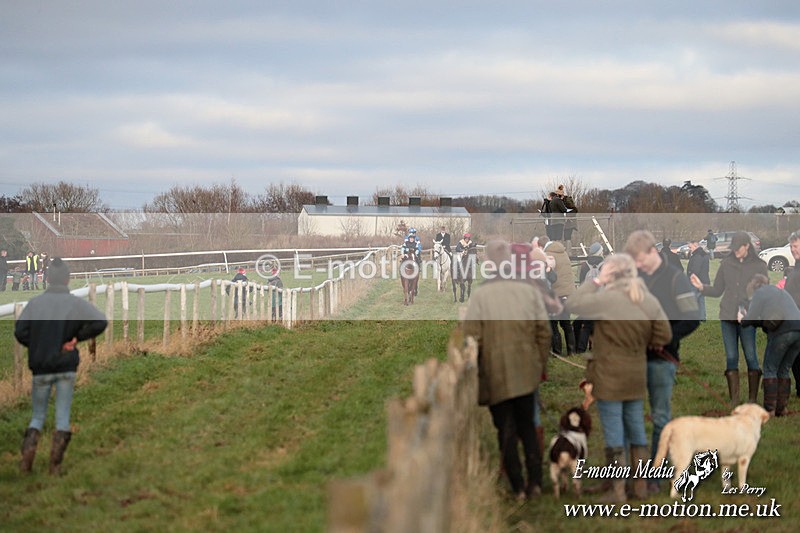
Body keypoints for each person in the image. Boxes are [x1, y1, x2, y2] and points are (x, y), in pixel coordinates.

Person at [566, 253, 672, 502]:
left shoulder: (607, 299)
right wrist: (648, 343)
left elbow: (572, 304)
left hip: (609, 374)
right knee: (636, 429)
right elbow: (664, 334)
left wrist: (596, 281)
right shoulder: (646, 299)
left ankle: (617, 491)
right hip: (636, 373)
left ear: (611, 274)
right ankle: (640, 487)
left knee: (614, 431)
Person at [463, 240, 551, 500]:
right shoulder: (529, 291)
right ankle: (535, 483)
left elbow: (472, 338)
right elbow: (544, 333)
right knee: (527, 426)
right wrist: (539, 364)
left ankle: (518, 487)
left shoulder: (480, 296)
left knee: (506, 430)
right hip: (527, 372)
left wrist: (477, 368)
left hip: (495, 373)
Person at [14, 258, 108, 474]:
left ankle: (27, 459)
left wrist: (39, 345)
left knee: (37, 415)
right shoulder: (75, 303)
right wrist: (76, 338)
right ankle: (55, 465)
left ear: (47, 279)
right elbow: (100, 322)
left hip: (41, 367)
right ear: (67, 280)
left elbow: (20, 332)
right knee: (62, 416)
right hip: (66, 367)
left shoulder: (35, 303)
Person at [625, 230, 700, 494]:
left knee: (660, 418)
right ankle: (631, 474)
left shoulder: (676, 279)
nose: (637, 265)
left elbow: (692, 317)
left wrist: (665, 338)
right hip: (632, 358)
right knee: (630, 415)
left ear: (652, 251)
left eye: (640, 260)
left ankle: (654, 475)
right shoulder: (634, 278)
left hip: (662, 359)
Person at [690, 231, 768, 406]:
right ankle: (734, 399)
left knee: (750, 356)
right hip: (727, 317)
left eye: (738, 248)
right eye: (733, 248)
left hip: (747, 319)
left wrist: (746, 309)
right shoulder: (726, 264)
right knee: (731, 357)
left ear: (747, 246)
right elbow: (718, 290)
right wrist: (702, 287)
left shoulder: (759, 265)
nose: (735, 251)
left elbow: (763, 293)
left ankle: (752, 399)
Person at [741, 274, 800, 416]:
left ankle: (769, 409)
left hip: (783, 333)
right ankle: (782, 408)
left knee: (770, 368)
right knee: (784, 369)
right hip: (798, 330)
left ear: (754, 286)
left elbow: (751, 317)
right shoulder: (779, 291)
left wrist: (743, 319)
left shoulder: (760, 293)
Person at [539, 236, 577, 356]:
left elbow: (548, 276)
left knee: (553, 325)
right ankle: (572, 351)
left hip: (556, 295)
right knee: (566, 324)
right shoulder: (563, 252)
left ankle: (557, 352)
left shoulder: (547, 255)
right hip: (568, 293)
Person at [573, 242, 605, 354]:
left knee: (586, 325)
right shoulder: (604, 265)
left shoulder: (584, 265)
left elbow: (581, 284)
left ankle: (580, 348)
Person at [783, 231, 800, 397]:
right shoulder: (796, 265)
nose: (792, 249)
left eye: (795, 246)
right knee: (795, 356)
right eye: (791, 246)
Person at [686, 239, 710, 321]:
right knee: (700, 300)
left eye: (690, 247)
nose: (689, 248)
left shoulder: (697, 255)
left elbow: (695, 270)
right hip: (704, 281)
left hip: (696, 281)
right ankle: (702, 317)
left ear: (695, 245)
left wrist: (689, 274)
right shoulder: (703, 254)